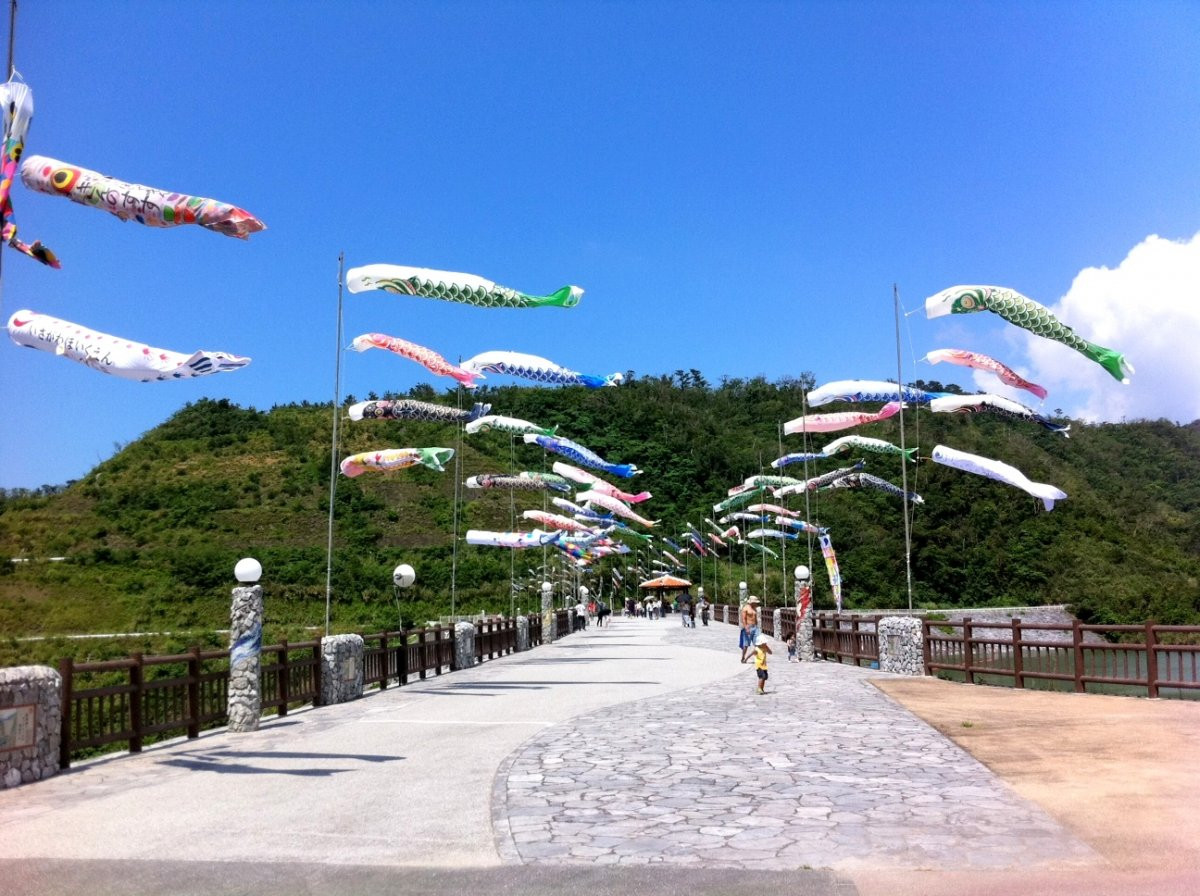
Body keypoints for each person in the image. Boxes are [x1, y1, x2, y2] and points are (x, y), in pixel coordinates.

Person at [739, 596, 760, 663]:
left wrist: (757, 627)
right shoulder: (745, 608)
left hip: (755, 627)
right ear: (752, 602)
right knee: (746, 645)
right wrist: (746, 628)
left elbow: (755, 618)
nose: (756, 604)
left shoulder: (755, 608)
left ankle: (755, 658)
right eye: (755, 602)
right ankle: (743, 657)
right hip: (748, 627)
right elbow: (743, 619)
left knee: (758, 644)